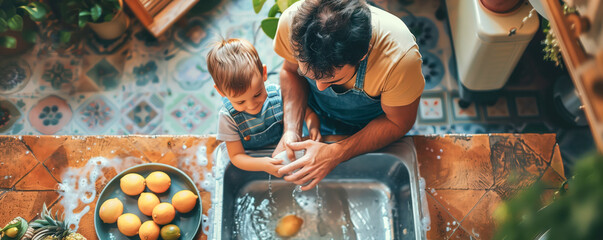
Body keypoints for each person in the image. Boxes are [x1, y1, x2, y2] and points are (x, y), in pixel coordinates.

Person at [272, 0, 425, 190]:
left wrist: (336, 152)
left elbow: (398, 122)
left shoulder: (399, 59)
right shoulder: (291, 22)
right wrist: (292, 130)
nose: (319, 87)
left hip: (369, 127)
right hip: (316, 116)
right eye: (311, 76)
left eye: (331, 80)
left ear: (363, 54)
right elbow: (290, 72)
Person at [207, 38, 321, 177]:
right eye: (241, 102)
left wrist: (313, 127)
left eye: (257, 94)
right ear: (220, 92)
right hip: (254, 162)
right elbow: (236, 156)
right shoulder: (228, 118)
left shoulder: (278, 96)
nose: (251, 105)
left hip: (286, 152)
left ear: (264, 73)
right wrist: (262, 164)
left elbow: (309, 115)